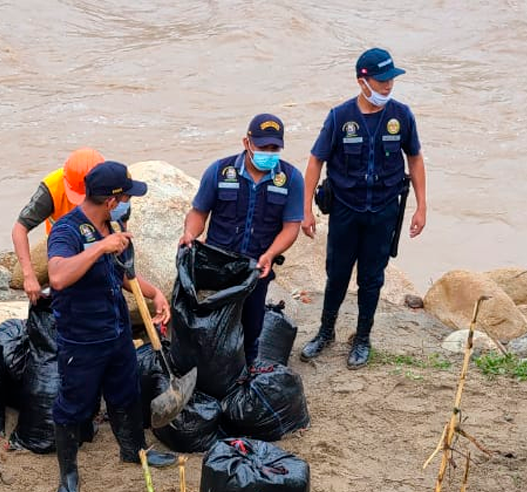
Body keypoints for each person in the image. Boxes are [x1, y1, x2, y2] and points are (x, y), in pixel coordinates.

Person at [46, 161, 178, 492]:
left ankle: (133, 451)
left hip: (116, 330)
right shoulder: (67, 230)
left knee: (126, 392)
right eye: (124, 197)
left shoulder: (113, 224)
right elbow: (58, 277)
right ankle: (68, 475)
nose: (126, 203)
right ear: (109, 199)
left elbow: (121, 273)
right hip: (82, 338)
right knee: (72, 406)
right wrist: (100, 248)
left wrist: (153, 293)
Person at [299, 47, 427, 368]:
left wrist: (422, 206)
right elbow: (316, 160)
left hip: (383, 211)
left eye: (391, 80)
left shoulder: (401, 115)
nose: (388, 86)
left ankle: (362, 338)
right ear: (362, 81)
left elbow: (415, 159)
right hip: (345, 210)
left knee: (372, 279)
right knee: (337, 275)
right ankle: (325, 333)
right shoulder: (340, 118)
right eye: (382, 80)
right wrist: (305, 209)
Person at [180, 113, 304, 365]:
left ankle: (244, 374)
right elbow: (199, 212)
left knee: (251, 328)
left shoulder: (290, 179)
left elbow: (291, 227)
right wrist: (190, 234)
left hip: (257, 269)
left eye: (274, 148)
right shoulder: (219, 171)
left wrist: (270, 254)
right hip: (218, 267)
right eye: (262, 147)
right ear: (247, 143)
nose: (268, 153)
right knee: (210, 328)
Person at [11, 147, 107, 304]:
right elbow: (19, 229)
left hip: (95, 242)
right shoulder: (52, 188)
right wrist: (29, 276)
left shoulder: (110, 185)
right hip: (63, 247)